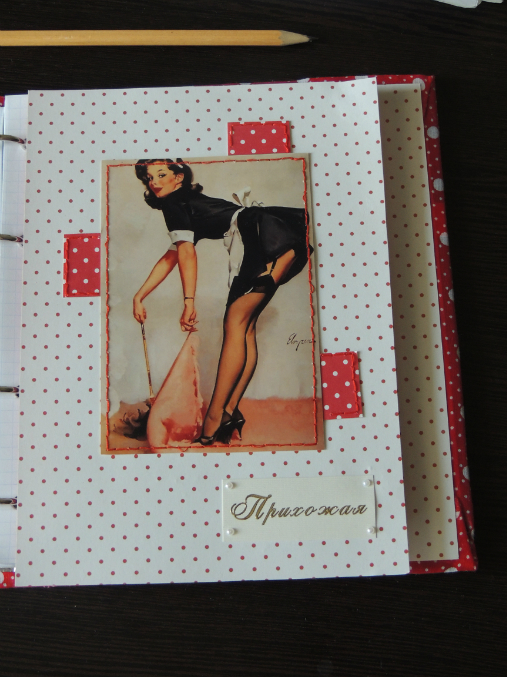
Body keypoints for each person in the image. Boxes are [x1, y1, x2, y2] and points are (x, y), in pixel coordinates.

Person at [133, 158, 311, 446]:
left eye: (161, 174)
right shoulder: (187, 203)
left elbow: (187, 253)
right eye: (149, 178)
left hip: (260, 238)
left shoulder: (173, 203)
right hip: (275, 238)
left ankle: (214, 418)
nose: (154, 182)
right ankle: (229, 411)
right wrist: (139, 295)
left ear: (179, 178)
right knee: (245, 328)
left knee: (236, 325)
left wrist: (188, 302)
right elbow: (174, 255)